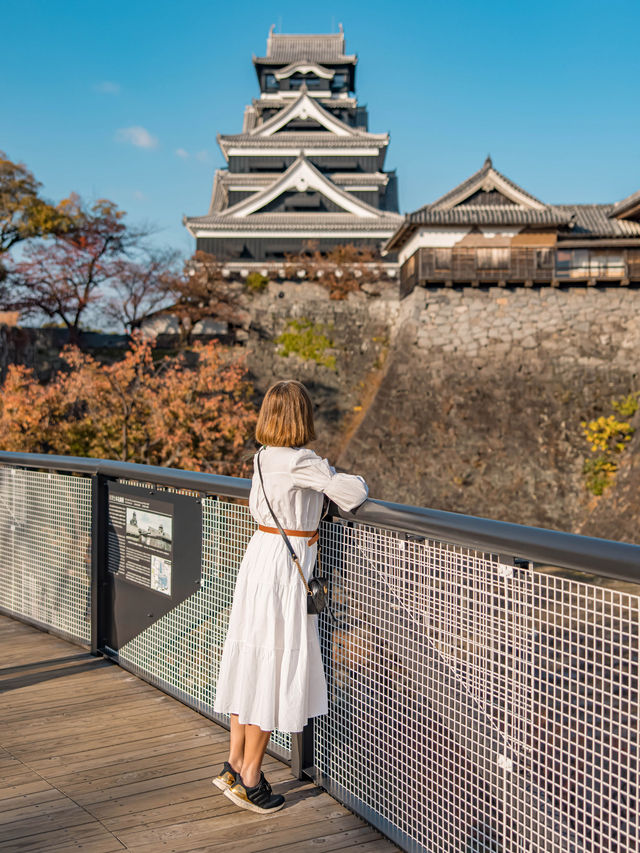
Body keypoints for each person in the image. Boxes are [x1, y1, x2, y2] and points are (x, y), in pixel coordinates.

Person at [212, 380, 368, 814]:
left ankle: (234, 761)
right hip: (285, 567)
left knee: (251, 659)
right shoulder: (302, 462)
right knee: (273, 664)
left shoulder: (263, 458)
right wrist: (333, 474)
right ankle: (250, 777)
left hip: (259, 558)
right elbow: (354, 494)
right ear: (303, 417)